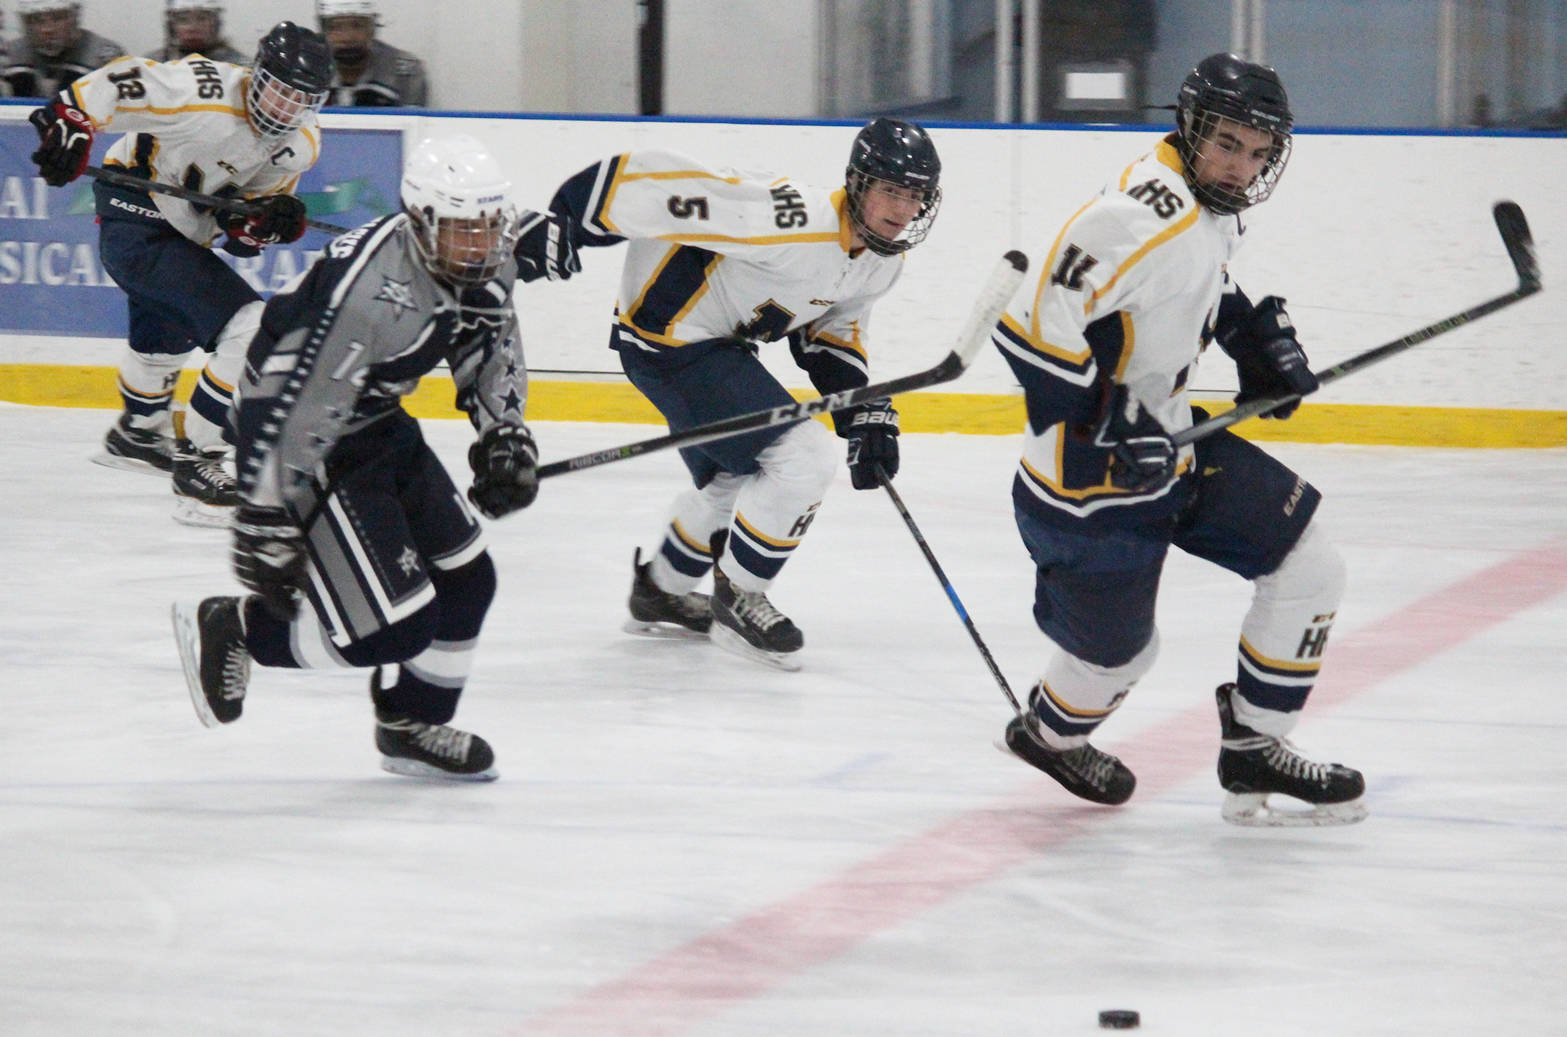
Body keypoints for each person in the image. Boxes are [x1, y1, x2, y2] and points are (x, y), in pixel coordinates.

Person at [991, 53, 1366, 826]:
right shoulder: (1140, 211)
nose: (1239, 167)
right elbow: (1028, 326)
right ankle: (1051, 736)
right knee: (1119, 658)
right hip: (1085, 483)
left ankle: (1256, 746)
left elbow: (1196, 280)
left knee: (1309, 564)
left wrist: (1252, 339)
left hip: (1173, 449)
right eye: (1227, 144)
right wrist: (1114, 423)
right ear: (1189, 129)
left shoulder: (1205, 207)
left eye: (1258, 153)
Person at [171, 133, 537, 781]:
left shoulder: (484, 256)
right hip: (304, 435)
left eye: (487, 226)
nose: (480, 244)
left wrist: (503, 433)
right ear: (422, 222)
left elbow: (491, 336)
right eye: (462, 230)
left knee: (467, 580)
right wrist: (266, 512)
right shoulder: (366, 295)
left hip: (376, 417)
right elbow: (285, 400)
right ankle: (239, 627)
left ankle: (411, 722)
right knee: (391, 631)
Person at [513, 118, 941, 669]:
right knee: (802, 457)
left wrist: (864, 411)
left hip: (713, 347)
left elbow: (829, 332)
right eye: (890, 190)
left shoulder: (882, 264)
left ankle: (660, 590)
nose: (902, 210)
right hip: (669, 340)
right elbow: (660, 183)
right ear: (857, 183)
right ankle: (740, 596)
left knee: (734, 477)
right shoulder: (792, 219)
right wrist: (566, 223)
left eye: (915, 197)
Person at [27, 22, 331, 527]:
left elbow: (236, 226)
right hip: (134, 208)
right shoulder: (202, 89)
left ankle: (138, 433)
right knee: (252, 327)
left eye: (300, 101)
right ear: (258, 77)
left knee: (167, 328)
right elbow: (125, 79)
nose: (284, 110)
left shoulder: (299, 145)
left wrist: (265, 219)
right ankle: (199, 462)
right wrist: (71, 118)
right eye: (278, 92)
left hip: (181, 227)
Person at [1, 1, 124, 98]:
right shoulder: (9, 53)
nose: (47, 30)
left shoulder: (104, 56)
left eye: (57, 18)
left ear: (75, 18)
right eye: (36, 20)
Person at [315, 0, 426, 107]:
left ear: (373, 29)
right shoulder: (308, 66)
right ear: (322, 32)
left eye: (357, 26)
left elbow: (411, 123)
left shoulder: (402, 72)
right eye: (336, 27)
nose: (347, 37)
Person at [150, 1, 249, 66]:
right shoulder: (153, 65)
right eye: (183, 20)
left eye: (202, 19)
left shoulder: (239, 66)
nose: (193, 28)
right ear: (171, 27)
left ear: (216, 24)